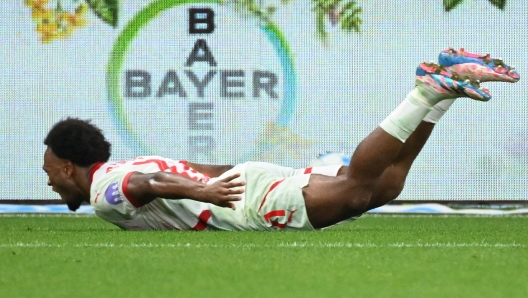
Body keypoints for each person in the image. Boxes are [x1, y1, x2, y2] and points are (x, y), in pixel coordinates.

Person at [42, 48, 519, 231]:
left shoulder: (105, 192)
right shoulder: (125, 163)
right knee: (386, 186)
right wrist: (225, 180)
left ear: (68, 167)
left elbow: (151, 182)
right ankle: (443, 92)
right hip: (246, 186)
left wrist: (205, 192)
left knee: (357, 186)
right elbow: (175, 170)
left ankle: (426, 89)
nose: (49, 182)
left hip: (246, 204)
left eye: (49, 172)